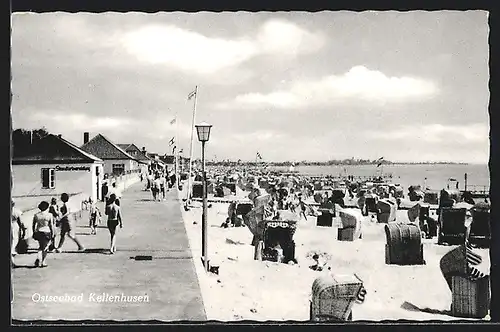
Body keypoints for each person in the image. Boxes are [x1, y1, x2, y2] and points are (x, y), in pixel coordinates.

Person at [32, 201, 55, 267]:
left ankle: (39, 258)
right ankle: (42, 261)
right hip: (46, 231)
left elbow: (33, 225)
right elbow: (51, 225)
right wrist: (53, 233)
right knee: (45, 247)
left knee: (41, 246)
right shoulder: (49, 215)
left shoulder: (36, 215)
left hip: (39, 231)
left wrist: (34, 232)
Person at [11, 201, 26, 266]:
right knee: (14, 241)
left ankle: (12, 262)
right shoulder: (16, 211)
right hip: (14, 226)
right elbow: (20, 222)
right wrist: (23, 229)